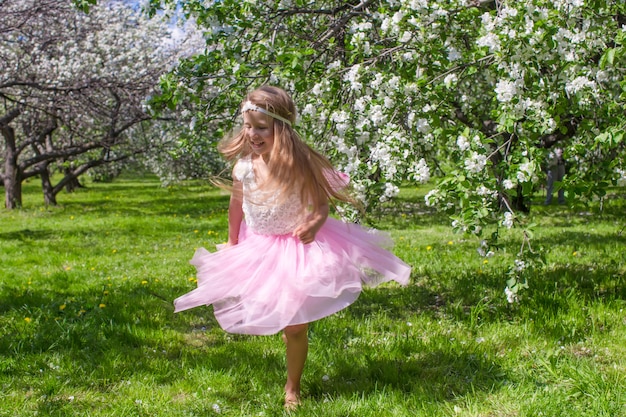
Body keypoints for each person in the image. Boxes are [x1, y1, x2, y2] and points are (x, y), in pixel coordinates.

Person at [173, 86, 411, 409]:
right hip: (259, 249)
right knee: (278, 315)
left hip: (296, 250)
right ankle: (290, 356)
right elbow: (235, 207)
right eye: (248, 125)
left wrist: (313, 224)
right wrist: (231, 241)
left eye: (261, 127)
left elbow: (321, 206)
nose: (252, 134)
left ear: (281, 129)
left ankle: (292, 388)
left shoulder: (299, 165)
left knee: (296, 327)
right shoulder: (244, 167)